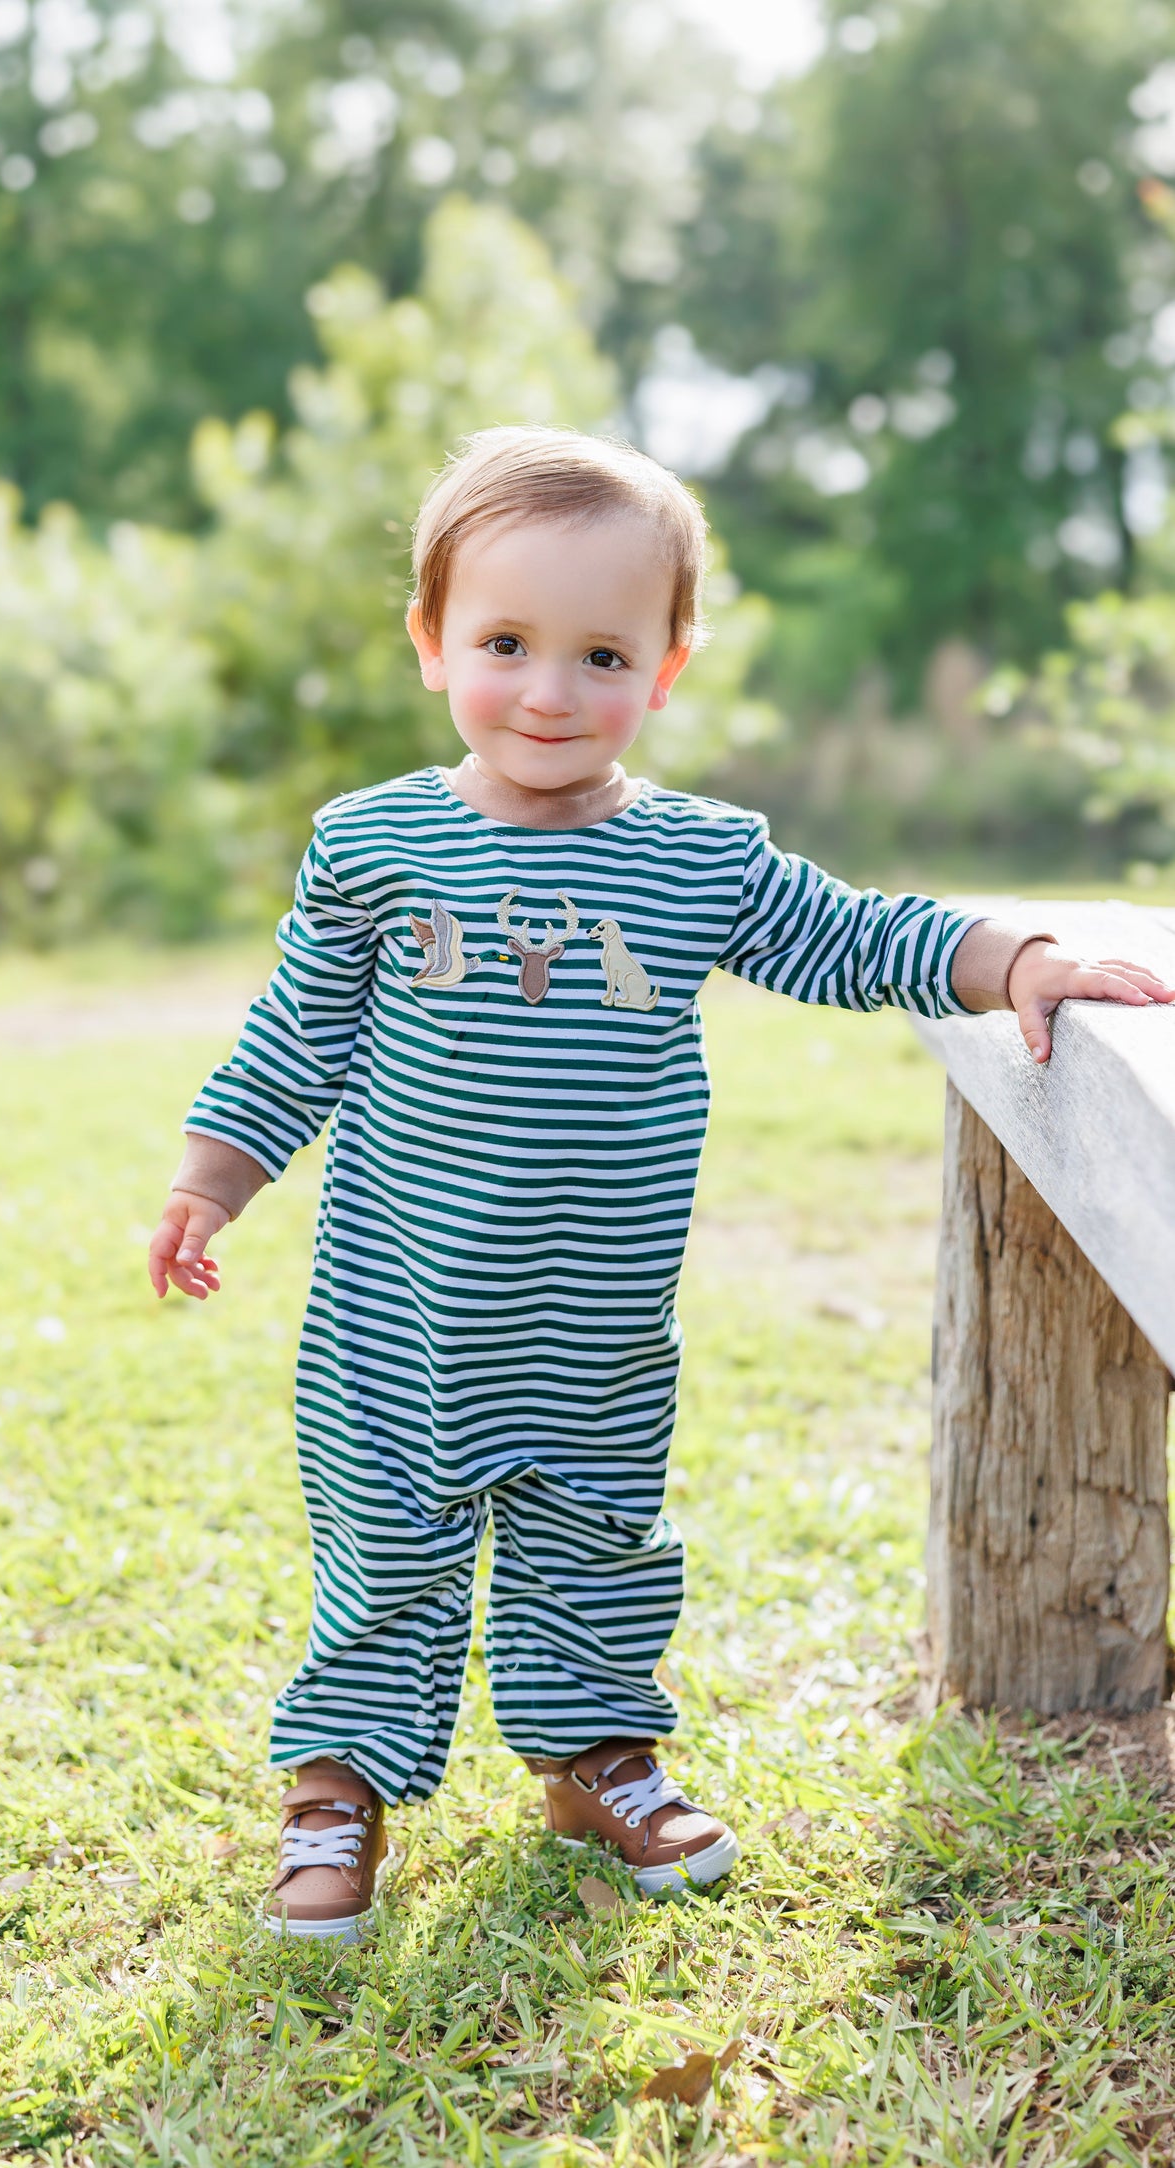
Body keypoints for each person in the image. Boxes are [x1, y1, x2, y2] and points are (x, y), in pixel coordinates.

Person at [147, 426, 1173, 1943]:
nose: (550, 692)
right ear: (432, 644)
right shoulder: (377, 845)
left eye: (602, 653)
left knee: (595, 1530)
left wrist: (1009, 958)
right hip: (398, 1312)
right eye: (504, 643)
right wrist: (207, 1180)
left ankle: (591, 1754)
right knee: (389, 1541)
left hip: (596, 1314)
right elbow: (294, 1038)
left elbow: (855, 933)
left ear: (666, 668)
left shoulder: (695, 858)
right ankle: (336, 1786)